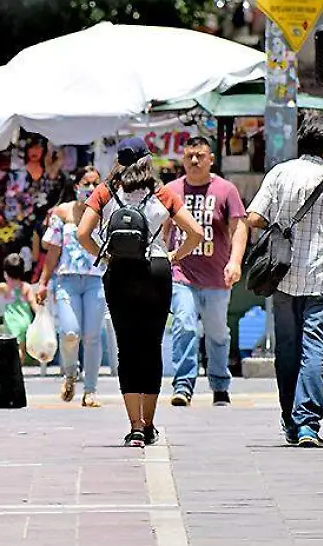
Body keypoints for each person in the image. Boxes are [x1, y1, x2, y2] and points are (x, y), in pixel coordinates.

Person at [78, 137, 203, 448]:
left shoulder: (106, 192)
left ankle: (134, 425)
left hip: (119, 273)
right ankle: (149, 424)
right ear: (149, 161)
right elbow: (196, 233)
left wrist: (103, 255)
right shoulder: (163, 193)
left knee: (127, 349)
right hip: (156, 272)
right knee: (151, 346)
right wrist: (174, 256)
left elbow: (82, 233)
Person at [247, 115, 323, 448]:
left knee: (287, 350)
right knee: (315, 348)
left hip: (282, 277)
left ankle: (290, 421)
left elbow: (254, 217)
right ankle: (307, 423)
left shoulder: (280, 173)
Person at [165, 136, 248, 407]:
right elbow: (162, 229)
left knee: (217, 334)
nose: (194, 161)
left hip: (216, 277)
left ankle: (220, 384)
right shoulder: (171, 190)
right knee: (184, 325)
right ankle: (183, 386)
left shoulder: (225, 190)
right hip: (181, 274)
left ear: (210, 159)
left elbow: (238, 228)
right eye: (189, 156)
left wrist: (234, 262)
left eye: (200, 155)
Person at [36, 167, 109, 407]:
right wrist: (43, 282)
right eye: (86, 183)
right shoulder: (62, 212)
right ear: (76, 185)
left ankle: (91, 390)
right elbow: (53, 249)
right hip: (67, 279)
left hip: (95, 279)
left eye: (95, 183)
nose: (90, 188)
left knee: (92, 336)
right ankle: (69, 373)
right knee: (69, 332)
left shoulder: (106, 211)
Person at [0, 254, 38, 355]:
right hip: (26, 320)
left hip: (11, 321)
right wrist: (41, 315)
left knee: (13, 348)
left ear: (5, 273)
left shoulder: (4, 287)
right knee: (21, 348)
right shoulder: (26, 287)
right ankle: (18, 368)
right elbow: (33, 303)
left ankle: (14, 368)